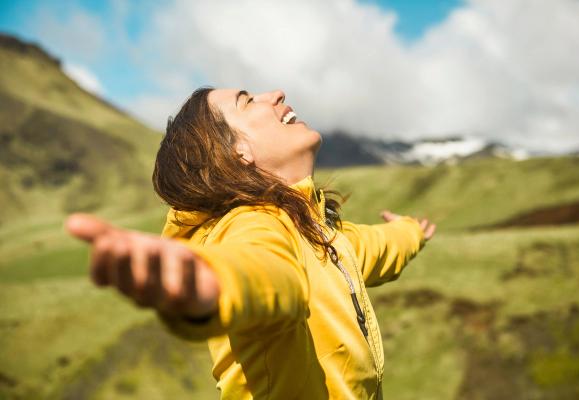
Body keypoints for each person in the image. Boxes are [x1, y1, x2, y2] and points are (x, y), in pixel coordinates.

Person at [66, 87, 436, 399]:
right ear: (237, 152)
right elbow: (263, 272)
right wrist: (210, 285)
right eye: (246, 101)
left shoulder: (317, 230)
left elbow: (371, 246)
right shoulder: (254, 223)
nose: (275, 94)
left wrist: (410, 232)